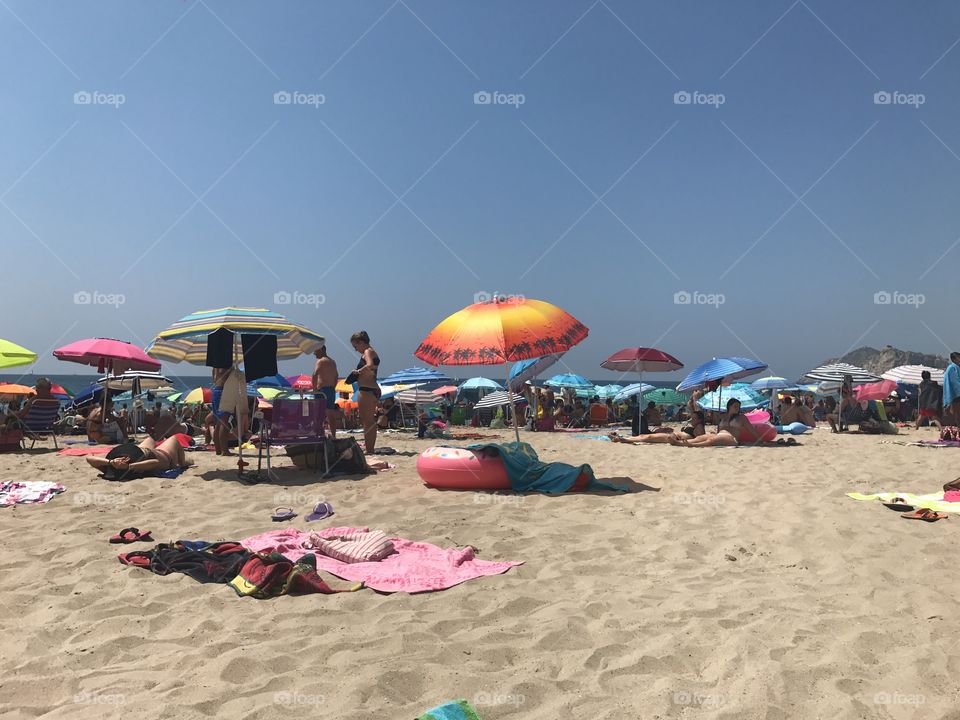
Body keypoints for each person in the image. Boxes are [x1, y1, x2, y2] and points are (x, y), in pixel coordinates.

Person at [85, 435, 191, 478]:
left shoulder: (110, 469)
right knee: (174, 439)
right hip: (161, 456)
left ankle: (183, 462)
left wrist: (111, 462)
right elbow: (155, 462)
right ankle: (183, 463)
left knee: (150, 439)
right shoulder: (133, 469)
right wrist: (129, 466)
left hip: (140, 451)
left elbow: (89, 458)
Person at [348, 331, 381, 454]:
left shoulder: (368, 351)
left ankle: (369, 449)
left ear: (361, 342)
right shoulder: (372, 351)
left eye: (355, 346)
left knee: (367, 422)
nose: (356, 350)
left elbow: (370, 365)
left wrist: (357, 371)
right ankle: (369, 448)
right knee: (369, 421)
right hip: (373, 389)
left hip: (367, 390)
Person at [671, 399, 747, 447]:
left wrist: (758, 440)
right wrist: (715, 431)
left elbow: (751, 430)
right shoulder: (723, 417)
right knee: (700, 437)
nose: (737, 408)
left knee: (712, 440)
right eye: (735, 406)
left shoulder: (741, 417)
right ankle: (680, 442)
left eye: (738, 407)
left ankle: (691, 444)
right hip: (719, 435)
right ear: (729, 407)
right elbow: (720, 430)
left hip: (732, 438)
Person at [610, 411, 706, 444]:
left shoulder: (699, 427)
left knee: (649, 437)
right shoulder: (694, 425)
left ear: (699, 420)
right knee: (644, 435)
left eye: (694, 418)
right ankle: (623, 438)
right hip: (673, 436)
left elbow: (699, 439)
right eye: (691, 417)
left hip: (674, 438)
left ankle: (623, 439)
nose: (691, 419)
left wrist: (681, 442)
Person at [311, 344, 342, 435]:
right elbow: (336, 376)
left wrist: (314, 389)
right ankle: (333, 435)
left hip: (322, 390)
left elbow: (315, 375)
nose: (314, 353)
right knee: (330, 414)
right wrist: (333, 387)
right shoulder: (332, 362)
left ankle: (319, 434)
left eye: (315, 351)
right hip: (331, 389)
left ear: (320, 349)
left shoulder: (320, 361)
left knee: (318, 414)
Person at [211, 366, 233, 455]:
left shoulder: (215, 364)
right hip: (222, 391)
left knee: (219, 423)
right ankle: (224, 450)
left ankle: (218, 449)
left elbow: (215, 377)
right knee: (224, 422)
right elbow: (223, 373)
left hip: (217, 390)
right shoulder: (224, 363)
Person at [943, 353, 960, 425]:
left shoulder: (957, 367)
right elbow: (954, 381)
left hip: (957, 392)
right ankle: (957, 425)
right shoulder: (952, 368)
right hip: (955, 393)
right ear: (954, 359)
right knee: (955, 410)